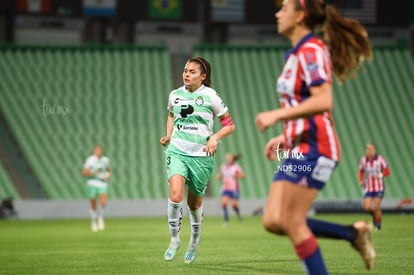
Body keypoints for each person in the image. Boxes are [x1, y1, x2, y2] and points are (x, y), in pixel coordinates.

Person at [255, 0, 374, 274]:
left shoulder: (312, 50)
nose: (277, 14)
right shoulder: (295, 55)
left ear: (300, 15)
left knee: (293, 222)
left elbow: (324, 100)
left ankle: (350, 239)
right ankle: (353, 234)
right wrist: (287, 136)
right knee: (274, 220)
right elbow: (303, 104)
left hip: (318, 148)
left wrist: (277, 116)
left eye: (284, 8)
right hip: (300, 147)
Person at [160, 57, 236, 264]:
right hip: (177, 151)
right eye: (185, 70)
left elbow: (230, 125)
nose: (186, 74)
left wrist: (214, 137)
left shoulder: (211, 96)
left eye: (192, 71)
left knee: (194, 204)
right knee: (175, 195)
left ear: (203, 76)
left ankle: (194, 241)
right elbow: (171, 115)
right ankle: (174, 239)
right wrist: (169, 135)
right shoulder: (174, 95)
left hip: (201, 156)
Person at [359, 143, 390, 230]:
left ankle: (378, 225)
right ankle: (375, 216)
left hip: (379, 187)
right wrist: (360, 180)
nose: (370, 151)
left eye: (371, 149)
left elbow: (387, 171)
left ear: (375, 150)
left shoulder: (380, 159)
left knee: (376, 207)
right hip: (368, 187)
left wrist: (380, 175)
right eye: (368, 149)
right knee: (367, 208)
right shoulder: (363, 160)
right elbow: (361, 171)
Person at [82, 145, 110, 232]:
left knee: (103, 201)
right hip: (92, 182)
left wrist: (108, 175)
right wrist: (93, 172)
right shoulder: (90, 160)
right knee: (93, 204)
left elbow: (108, 169)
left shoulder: (106, 160)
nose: (98, 152)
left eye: (99, 150)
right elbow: (84, 172)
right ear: (94, 151)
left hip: (102, 182)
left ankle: (101, 217)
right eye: (96, 150)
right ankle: (93, 221)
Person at [216, 153, 244, 224]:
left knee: (234, 206)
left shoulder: (236, 167)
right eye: (227, 158)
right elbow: (221, 175)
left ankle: (239, 216)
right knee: (224, 204)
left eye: (229, 158)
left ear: (232, 159)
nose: (228, 159)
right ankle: (226, 221)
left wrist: (236, 176)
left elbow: (242, 176)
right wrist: (218, 177)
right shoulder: (223, 167)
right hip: (225, 189)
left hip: (234, 189)